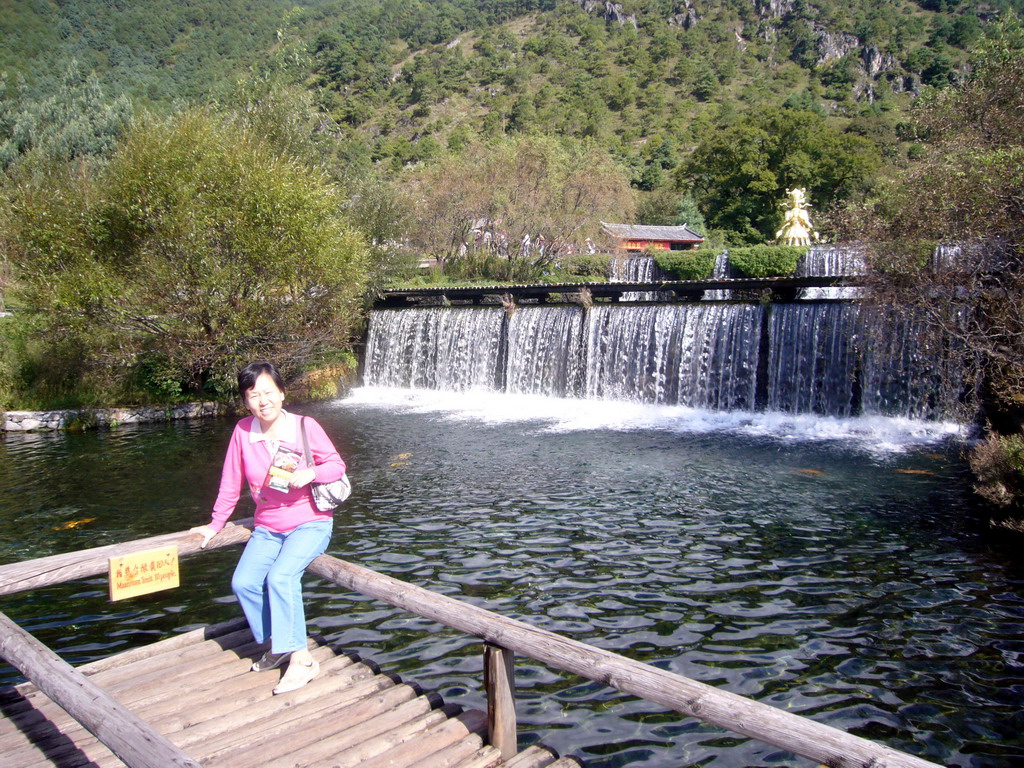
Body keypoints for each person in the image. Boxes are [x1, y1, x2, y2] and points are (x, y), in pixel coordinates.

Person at [190, 361, 346, 694]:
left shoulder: (305, 426)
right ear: (246, 400)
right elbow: (231, 482)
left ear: (281, 393)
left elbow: (336, 464)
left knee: (280, 577)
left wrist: (312, 473)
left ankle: (302, 659)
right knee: (244, 582)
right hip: (267, 527)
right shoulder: (243, 432)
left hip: (310, 523)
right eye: (253, 394)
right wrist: (215, 524)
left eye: (268, 392)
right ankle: (280, 644)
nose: (263, 401)